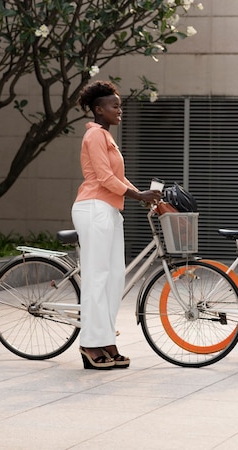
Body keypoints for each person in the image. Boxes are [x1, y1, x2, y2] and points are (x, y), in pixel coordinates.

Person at [71, 81, 162, 370]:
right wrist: (139, 195)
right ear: (98, 110)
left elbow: (117, 179)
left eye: (119, 105)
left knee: (113, 280)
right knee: (97, 278)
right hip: (94, 208)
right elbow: (104, 179)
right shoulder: (95, 136)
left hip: (109, 210)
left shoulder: (106, 137)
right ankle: (89, 343)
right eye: (114, 106)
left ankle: (105, 340)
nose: (119, 110)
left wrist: (145, 197)